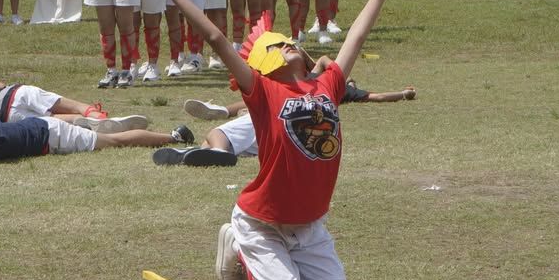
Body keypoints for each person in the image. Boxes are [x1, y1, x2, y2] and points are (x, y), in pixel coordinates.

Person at [136, 0, 412, 280]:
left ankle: (285, 262)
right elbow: (218, 39)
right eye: (280, 45)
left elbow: (355, 40)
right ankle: (239, 245)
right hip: (262, 219)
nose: (290, 45)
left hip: (308, 221)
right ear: (265, 64)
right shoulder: (263, 91)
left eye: (290, 42)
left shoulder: (327, 84)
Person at [155, 79, 418, 168]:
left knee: (216, 133)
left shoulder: (332, 85)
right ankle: (194, 153)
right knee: (209, 142)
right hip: (280, 136)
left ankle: (218, 145)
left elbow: (375, 96)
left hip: (278, 119)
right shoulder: (319, 82)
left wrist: (403, 94)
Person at [0, 115, 194, 172]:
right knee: (106, 135)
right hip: (41, 123)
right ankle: (90, 119)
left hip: (55, 137)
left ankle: (174, 136)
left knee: (113, 142)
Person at [0, 78, 148, 133]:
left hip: (6, 117)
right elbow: (1, 86)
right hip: (17, 94)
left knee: (51, 120)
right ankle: (94, 114)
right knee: (74, 105)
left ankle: (87, 124)